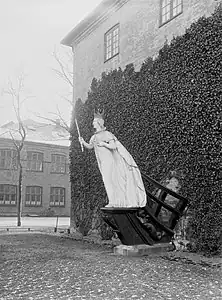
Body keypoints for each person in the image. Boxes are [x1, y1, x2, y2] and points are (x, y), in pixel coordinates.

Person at [78, 110, 146, 208]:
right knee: (107, 181)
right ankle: (113, 201)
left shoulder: (107, 134)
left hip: (109, 161)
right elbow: (90, 146)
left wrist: (104, 144)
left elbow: (114, 146)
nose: (92, 123)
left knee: (111, 180)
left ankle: (116, 201)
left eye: (94, 121)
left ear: (99, 123)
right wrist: (83, 141)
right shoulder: (94, 136)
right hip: (102, 162)